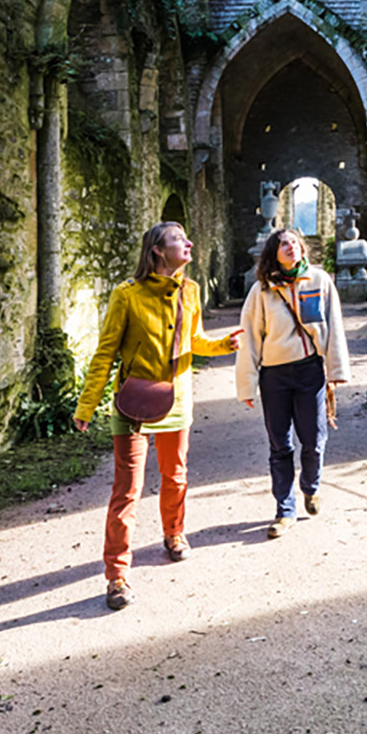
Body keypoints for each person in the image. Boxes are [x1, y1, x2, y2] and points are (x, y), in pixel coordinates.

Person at [74, 222, 239, 610]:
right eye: (179, 239)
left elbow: (193, 341)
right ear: (157, 251)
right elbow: (105, 354)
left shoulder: (191, 291)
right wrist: (86, 405)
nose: (189, 243)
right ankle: (116, 576)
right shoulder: (126, 296)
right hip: (132, 404)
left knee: (176, 476)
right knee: (126, 491)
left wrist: (221, 345)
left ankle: (174, 534)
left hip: (176, 399)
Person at [236, 228, 350, 538]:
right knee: (280, 445)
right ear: (274, 253)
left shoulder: (319, 280)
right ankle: (284, 510)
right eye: (283, 243)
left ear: (302, 248)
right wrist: (246, 386)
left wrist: (336, 369)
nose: (290, 247)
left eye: (294, 243)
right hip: (274, 377)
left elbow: (334, 324)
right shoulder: (262, 291)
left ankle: (311, 488)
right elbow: (249, 339)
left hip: (309, 371)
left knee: (313, 440)